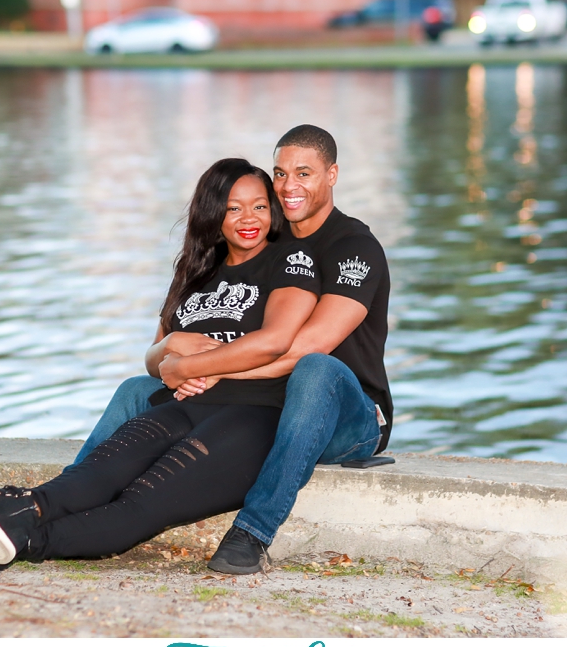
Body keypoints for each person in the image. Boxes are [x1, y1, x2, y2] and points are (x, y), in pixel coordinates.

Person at [0, 158, 321, 577]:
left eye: (260, 206)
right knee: (100, 473)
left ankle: (21, 543)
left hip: (253, 415)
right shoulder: (196, 270)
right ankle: (10, 511)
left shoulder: (292, 260)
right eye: (234, 208)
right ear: (213, 214)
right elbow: (156, 358)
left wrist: (193, 364)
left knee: (140, 506)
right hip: (182, 406)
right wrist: (174, 347)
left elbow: (275, 341)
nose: (249, 218)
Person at [73, 124, 392, 575]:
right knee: (134, 390)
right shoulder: (265, 243)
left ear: (332, 175)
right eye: (280, 174)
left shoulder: (353, 247)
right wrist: (175, 355)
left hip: (349, 414)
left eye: (304, 173)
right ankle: (66, 499)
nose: (289, 186)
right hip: (267, 402)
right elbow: (166, 351)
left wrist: (208, 369)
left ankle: (252, 533)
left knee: (317, 370)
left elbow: (308, 346)